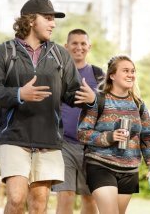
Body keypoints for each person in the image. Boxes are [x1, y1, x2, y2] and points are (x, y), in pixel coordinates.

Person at [0, 0, 95, 214]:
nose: (53, 24)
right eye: (48, 18)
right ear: (31, 20)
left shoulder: (61, 55)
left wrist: (90, 99)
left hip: (48, 139)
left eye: (53, 19)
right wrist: (18, 93)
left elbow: (73, 93)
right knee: (16, 198)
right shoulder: (3, 53)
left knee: (39, 204)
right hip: (14, 136)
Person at [78, 55, 150, 214]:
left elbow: (148, 137)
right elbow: (82, 133)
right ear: (112, 75)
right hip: (100, 165)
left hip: (129, 170)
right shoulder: (98, 100)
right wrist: (109, 137)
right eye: (125, 71)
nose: (131, 74)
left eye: (133, 71)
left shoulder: (138, 104)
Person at [52, 29, 104, 214]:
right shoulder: (56, 74)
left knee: (90, 199)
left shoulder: (99, 76)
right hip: (63, 144)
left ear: (89, 47)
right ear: (66, 47)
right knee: (65, 196)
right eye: (74, 43)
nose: (79, 47)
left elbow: (108, 108)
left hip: (91, 147)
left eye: (83, 43)